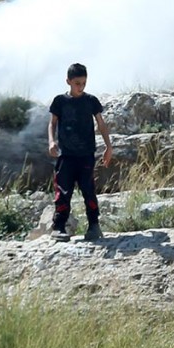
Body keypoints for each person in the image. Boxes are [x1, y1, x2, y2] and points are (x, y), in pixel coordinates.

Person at [47, 63, 113, 241]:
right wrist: (52, 141)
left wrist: (108, 146)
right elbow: (52, 123)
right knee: (63, 191)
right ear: (68, 81)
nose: (81, 87)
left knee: (88, 190)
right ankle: (59, 227)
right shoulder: (59, 101)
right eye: (77, 83)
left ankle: (94, 226)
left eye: (84, 83)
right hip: (66, 156)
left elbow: (101, 123)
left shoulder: (91, 101)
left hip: (86, 155)